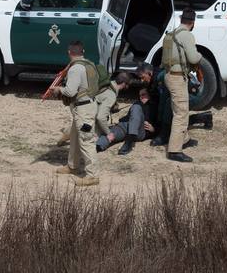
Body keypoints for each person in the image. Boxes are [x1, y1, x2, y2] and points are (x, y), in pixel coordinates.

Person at [52, 41, 100, 187]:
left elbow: (70, 91)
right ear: (82, 52)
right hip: (86, 107)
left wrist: (58, 89)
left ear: (69, 52)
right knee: (74, 137)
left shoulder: (75, 69)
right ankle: (72, 166)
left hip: (83, 110)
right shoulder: (89, 64)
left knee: (86, 141)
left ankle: (93, 176)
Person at [161, 8, 202, 163]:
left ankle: (184, 139)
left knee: (177, 109)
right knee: (181, 113)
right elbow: (193, 57)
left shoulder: (171, 35)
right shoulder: (187, 35)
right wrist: (200, 55)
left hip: (169, 75)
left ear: (181, 20)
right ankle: (174, 150)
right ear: (192, 23)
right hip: (177, 78)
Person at [96, 71, 157, 155]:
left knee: (136, 108)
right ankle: (98, 145)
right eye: (140, 95)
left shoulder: (154, 107)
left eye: (143, 94)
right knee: (112, 132)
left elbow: (162, 126)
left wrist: (154, 130)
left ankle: (129, 142)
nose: (141, 97)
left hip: (140, 131)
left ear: (149, 95)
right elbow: (128, 117)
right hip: (126, 127)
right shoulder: (137, 103)